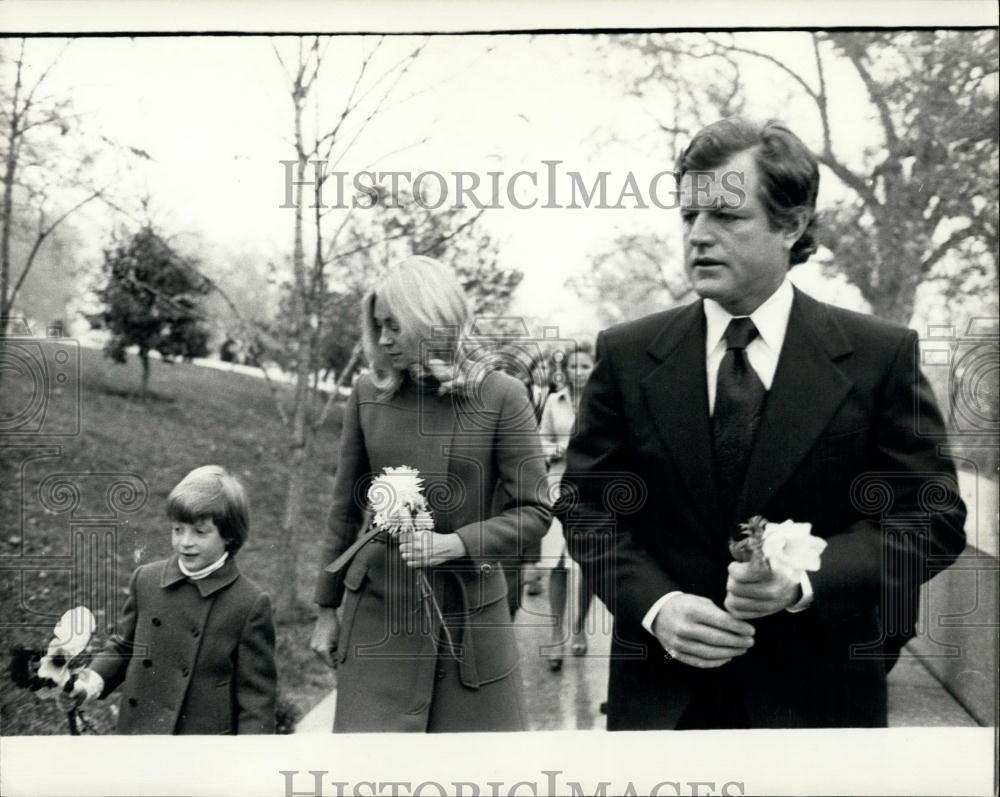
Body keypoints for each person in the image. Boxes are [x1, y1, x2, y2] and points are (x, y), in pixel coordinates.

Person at [559, 117, 967, 729]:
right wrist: (656, 606)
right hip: (663, 707)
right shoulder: (626, 354)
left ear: (791, 225)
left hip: (820, 709)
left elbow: (932, 518)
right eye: (689, 215)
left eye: (726, 216)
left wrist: (806, 579)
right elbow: (587, 506)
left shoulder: (878, 356)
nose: (698, 235)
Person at [309, 256, 550, 732]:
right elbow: (344, 510)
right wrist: (325, 609)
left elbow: (536, 510)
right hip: (379, 615)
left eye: (394, 325)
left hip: (469, 621)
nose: (383, 339)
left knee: (475, 767)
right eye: (378, 326)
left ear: (430, 317)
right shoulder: (368, 393)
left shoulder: (501, 395)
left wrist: (456, 543)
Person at [68, 465, 277, 734]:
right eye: (178, 529)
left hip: (202, 744)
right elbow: (123, 647)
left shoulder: (248, 603)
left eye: (200, 532)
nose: (185, 542)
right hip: (138, 732)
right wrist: (87, 684)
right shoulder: (147, 580)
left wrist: (251, 754)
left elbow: (256, 701)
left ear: (229, 535)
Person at [538, 341, 597, 669]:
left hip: (591, 490)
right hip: (557, 488)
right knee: (556, 563)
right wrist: (553, 450)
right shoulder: (553, 401)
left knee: (586, 563)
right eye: (573, 366)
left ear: (594, 368)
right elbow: (541, 439)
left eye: (585, 366)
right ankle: (556, 633)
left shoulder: (603, 400)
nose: (578, 372)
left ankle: (579, 627)